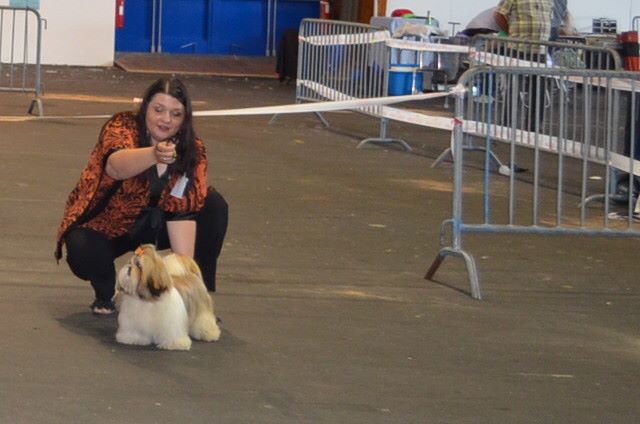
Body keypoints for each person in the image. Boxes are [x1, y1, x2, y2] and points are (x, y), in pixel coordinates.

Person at [55, 77, 228, 315]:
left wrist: (186, 286)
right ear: (146, 106)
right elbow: (115, 166)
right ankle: (107, 291)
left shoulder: (192, 149)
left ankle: (199, 299)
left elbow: (183, 214)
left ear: (185, 118)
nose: (166, 119)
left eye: (176, 114)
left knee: (213, 206)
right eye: (159, 110)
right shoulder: (121, 126)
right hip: (109, 224)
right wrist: (154, 154)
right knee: (81, 246)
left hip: (159, 225)